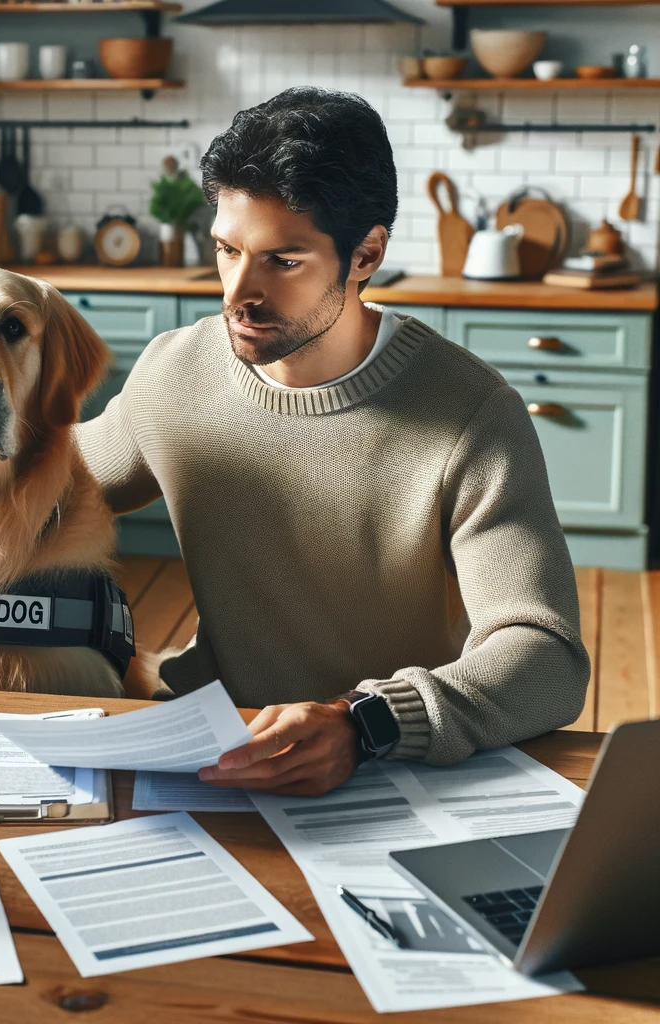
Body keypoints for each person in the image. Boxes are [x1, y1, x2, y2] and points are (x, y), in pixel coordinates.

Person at [76, 87, 589, 797]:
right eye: (228, 250)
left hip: (390, 764)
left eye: (283, 262)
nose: (239, 293)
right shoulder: (173, 372)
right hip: (208, 745)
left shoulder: (471, 412)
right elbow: (42, 479)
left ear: (365, 254)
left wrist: (366, 722)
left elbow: (546, 656)